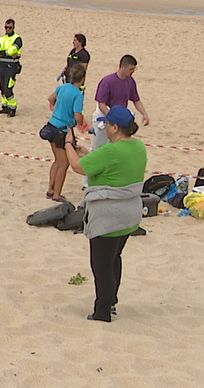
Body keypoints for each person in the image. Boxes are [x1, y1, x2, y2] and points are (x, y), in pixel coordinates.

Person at [63, 106, 147, 322]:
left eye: (108, 124)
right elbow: (108, 165)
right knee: (114, 260)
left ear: (115, 127)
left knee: (101, 266)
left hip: (109, 216)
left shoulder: (110, 151)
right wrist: (87, 154)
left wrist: (67, 145)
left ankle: (102, 312)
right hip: (129, 214)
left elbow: (77, 167)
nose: (105, 128)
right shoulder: (139, 146)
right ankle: (111, 303)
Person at [41, 63, 89, 202]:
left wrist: (57, 108)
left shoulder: (62, 87)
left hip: (51, 125)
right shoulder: (78, 94)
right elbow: (77, 116)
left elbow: (51, 98)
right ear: (83, 79)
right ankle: (56, 194)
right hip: (62, 130)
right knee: (64, 163)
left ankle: (50, 190)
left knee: (57, 161)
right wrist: (82, 122)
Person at [92, 55, 151, 152]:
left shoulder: (130, 81)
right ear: (122, 67)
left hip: (119, 120)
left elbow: (136, 100)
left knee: (116, 150)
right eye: (131, 69)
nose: (133, 71)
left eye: (134, 69)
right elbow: (101, 104)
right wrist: (112, 118)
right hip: (105, 118)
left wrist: (144, 113)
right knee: (98, 150)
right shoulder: (108, 81)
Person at [0, 18, 22, 116]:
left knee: (8, 88)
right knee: (2, 87)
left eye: (9, 27)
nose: (7, 29)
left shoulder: (17, 38)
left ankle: (12, 108)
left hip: (11, 66)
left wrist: (2, 53)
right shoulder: (2, 39)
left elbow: (13, 51)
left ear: (13, 27)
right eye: (6, 27)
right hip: (1, 66)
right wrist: (3, 53)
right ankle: (5, 106)